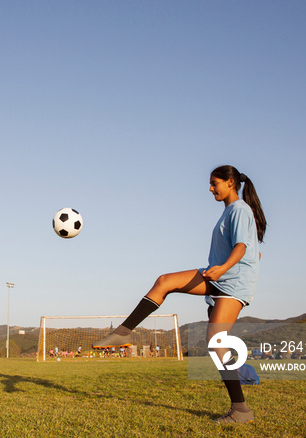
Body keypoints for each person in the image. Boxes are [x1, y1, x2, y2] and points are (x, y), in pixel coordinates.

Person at [92, 165, 266, 424]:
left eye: (214, 183)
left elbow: (242, 246)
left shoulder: (240, 210)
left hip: (231, 282)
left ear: (230, 183)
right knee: (164, 281)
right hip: (216, 276)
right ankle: (124, 331)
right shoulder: (229, 211)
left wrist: (225, 268)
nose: (210, 188)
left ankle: (241, 411)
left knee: (216, 342)